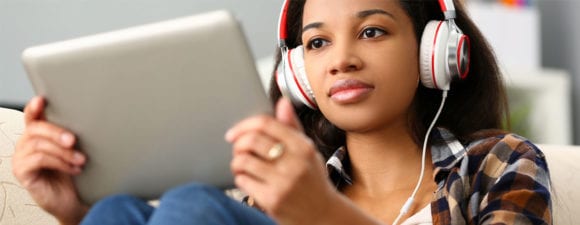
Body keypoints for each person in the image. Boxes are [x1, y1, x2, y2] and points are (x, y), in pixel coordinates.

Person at [12, 0, 552, 224]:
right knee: (116, 211)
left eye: (372, 31)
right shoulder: (275, 190)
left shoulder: (498, 162)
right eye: (316, 44)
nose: (341, 60)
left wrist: (321, 214)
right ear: (297, 75)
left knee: (194, 205)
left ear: (435, 51)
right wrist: (76, 212)